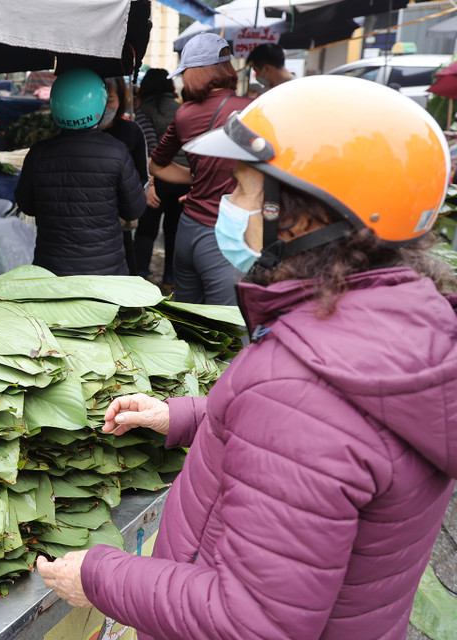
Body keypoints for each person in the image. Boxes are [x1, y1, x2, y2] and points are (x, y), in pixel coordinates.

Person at [37, 75, 457, 639]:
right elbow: (320, 448)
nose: (227, 205)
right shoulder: (398, 327)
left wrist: (101, 576)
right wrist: (188, 416)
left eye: (241, 187)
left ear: (303, 216)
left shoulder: (303, 391)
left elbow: (253, 623)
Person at [149, 33, 252, 305]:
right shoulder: (251, 111)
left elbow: (157, 166)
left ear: (194, 73)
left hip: (188, 230)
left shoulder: (184, 114)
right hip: (226, 238)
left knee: (190, 324)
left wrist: (196, 179)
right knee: (228, 332)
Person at [15, 68, 145, 276]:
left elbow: (27, 206)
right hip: (105, 273)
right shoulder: (116, 151)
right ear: (99, 105)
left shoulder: (38, 153)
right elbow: (134, 209)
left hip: (52, 272)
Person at [133, 69, 190, 288]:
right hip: (183, 179)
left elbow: (147, 150)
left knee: (147, 231)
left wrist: (150, 184)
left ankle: (140, 277)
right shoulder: (183, 110)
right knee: (174, 230)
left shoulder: (144, 111)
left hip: (159, 179)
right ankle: (169, 280)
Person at [99, 77, 155, 277]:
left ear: (121, 100)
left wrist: (124, 203)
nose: (104, 106)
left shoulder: (132, 132)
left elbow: (143, 177)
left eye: (110, 100)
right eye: (99, 99)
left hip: (120, 225)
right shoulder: (80, 131)